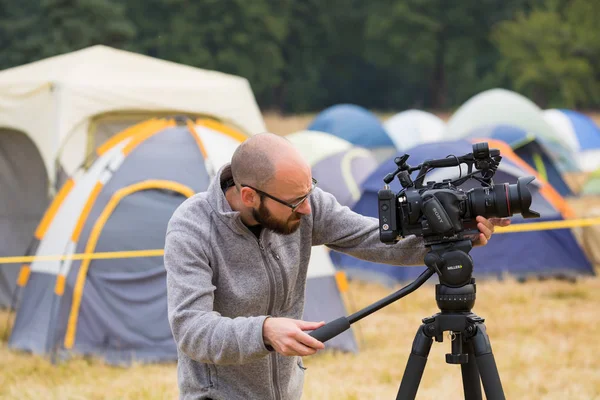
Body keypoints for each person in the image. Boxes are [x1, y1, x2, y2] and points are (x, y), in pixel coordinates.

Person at [164, 133, 509, 400]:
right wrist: (264, 331)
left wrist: (454, 234)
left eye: (308, 192)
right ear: (250, 196)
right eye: (296, 202)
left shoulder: (301, 199)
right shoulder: (192, 229)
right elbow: (192, 330)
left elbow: (372, 238)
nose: (308, 210)